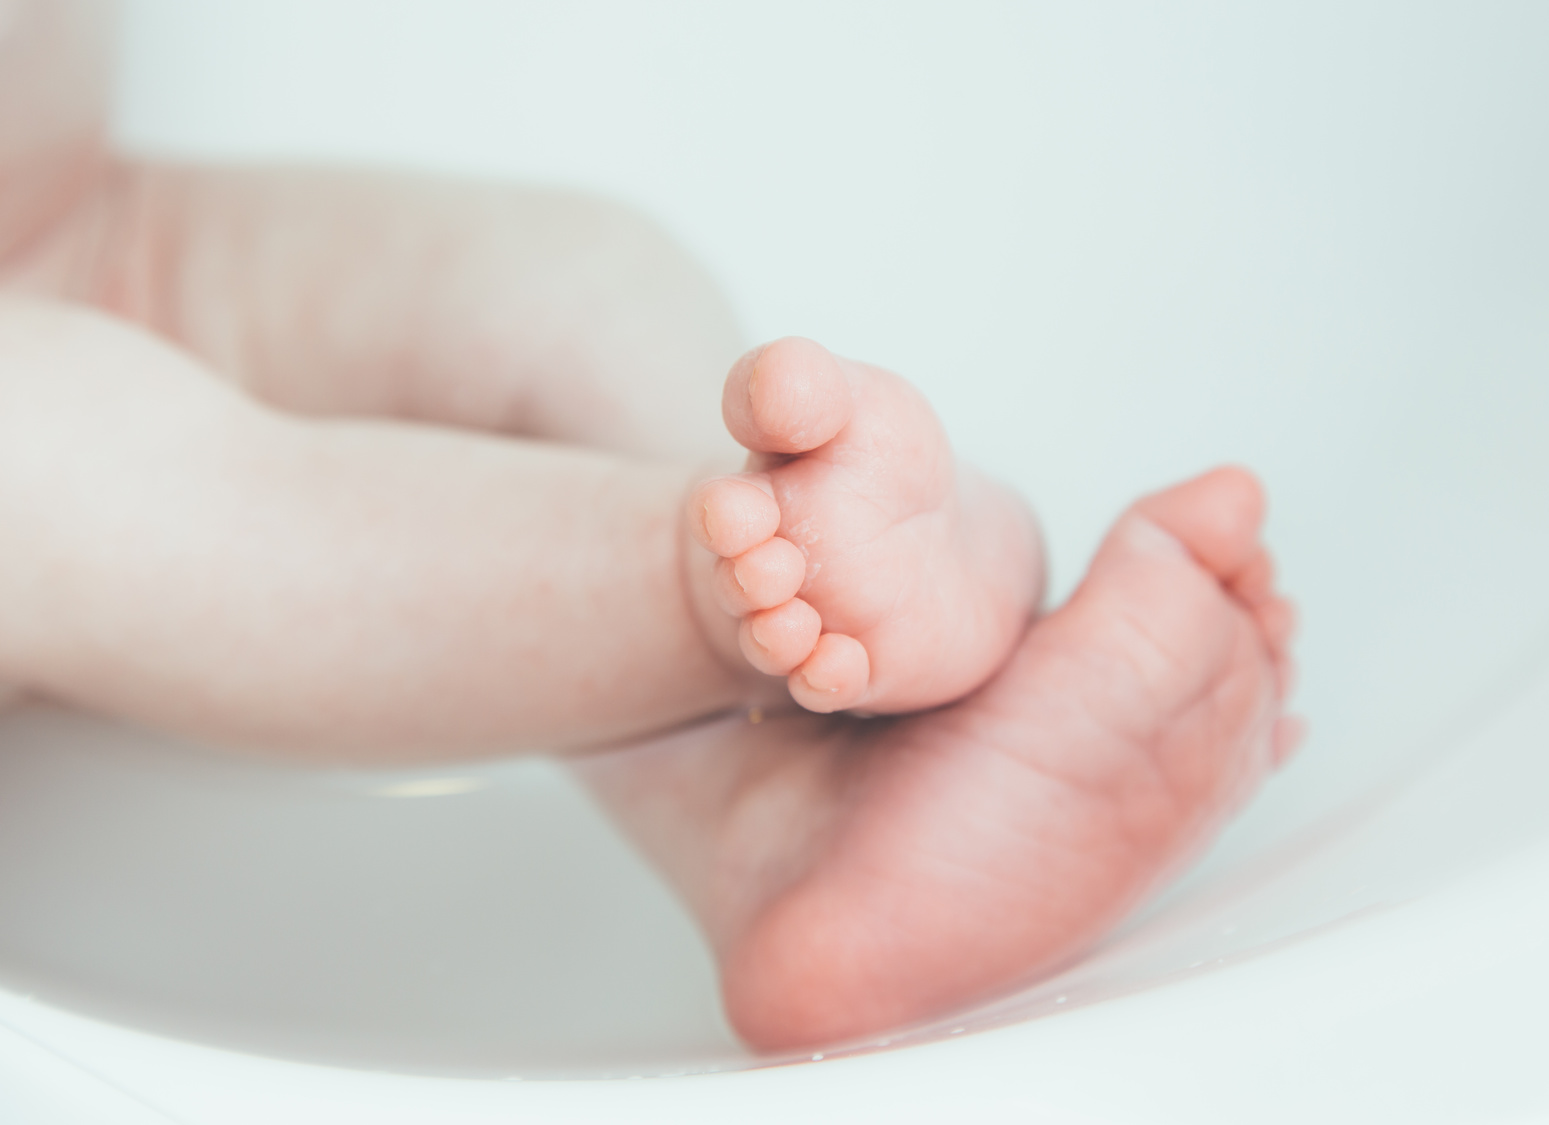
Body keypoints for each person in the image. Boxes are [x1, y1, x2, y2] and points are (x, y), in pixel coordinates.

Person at [0, 0, 1299, 1050]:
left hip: (80, 231)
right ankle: (728, 589)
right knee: (56, 460)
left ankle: (766, 798)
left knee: (559, 284)